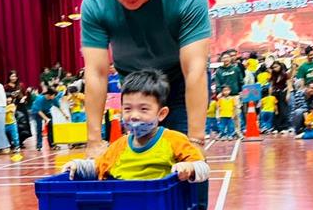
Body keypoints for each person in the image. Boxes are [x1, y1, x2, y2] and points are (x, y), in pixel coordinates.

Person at [81, 0, 210, 159]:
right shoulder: (95, 3)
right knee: (139, 159)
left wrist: (196, 141)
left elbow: (195, 69)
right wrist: (94, 141)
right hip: (135, 84)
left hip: (180, 81)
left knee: (184, 157)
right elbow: (96, 73)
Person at [63, 70, 210, 183]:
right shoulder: (119, 146)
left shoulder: (174, 140)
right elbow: (98, 166)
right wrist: (78, 166)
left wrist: (190, 168)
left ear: (161, 114)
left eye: (143, 109)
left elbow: (203, 168)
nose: (134, 115)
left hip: (159, 207)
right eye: (127, 109)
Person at [269, 60, 291, 134]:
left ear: (280, 66)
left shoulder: (285, 74)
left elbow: (289, 85)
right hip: (275, 94)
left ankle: (284, 127)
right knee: (276, 111)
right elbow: (271, 85)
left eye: (276, 67)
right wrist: (270, 95)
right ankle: (276, 127)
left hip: (283, 93)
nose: (275, 68)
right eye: (273, 67)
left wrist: (288, 94)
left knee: (283, 110)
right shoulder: (273, 75)